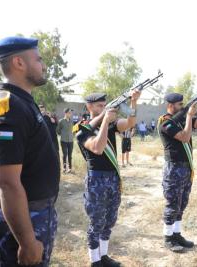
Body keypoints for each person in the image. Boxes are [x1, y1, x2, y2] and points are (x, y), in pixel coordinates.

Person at [0, 36, 60, 266]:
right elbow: (6, 182)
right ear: (19, 63)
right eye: (38, 59)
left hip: (34, 213)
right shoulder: (8, 108)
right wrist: (27, 242)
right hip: (23, 221)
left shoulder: (21, 101)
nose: (43, 65)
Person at [76, 90, 141, 267]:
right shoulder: (82, 129)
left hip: (112, 178)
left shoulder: (110, 124)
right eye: (99, 106)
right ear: (89, 107)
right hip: (96, 179)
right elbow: (97, 147)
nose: (104, 108)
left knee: (110, 219)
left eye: (105, 105)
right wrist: (105, 120)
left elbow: (130, 123)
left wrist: (133, 102)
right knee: (96, 221)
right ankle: (94, 260)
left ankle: (103, 255)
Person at [158, 86, 197, 253]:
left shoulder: (183, 118)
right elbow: (184, 137)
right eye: (180, 104)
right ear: (171, 105)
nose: (182, 106)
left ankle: (177, 234)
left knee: (182, 202)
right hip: (174, 168)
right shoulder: (165, 121)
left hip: (186, 167)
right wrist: (190, 115)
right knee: (173, 203)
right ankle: (168, 237)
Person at [57, 108, 74, 173]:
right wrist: (63, 134)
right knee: (65, 154)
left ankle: (70, 168)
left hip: (71, 140)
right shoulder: (61, 121)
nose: (70, 114)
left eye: (71, 113)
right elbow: (58, 130)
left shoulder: (71, 121)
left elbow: (73, 129)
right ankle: (64, 168)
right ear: (66, 113)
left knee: (70, 155)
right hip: (63, 140)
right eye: (69, 113)